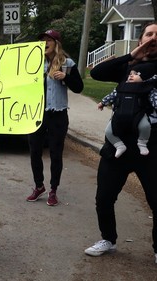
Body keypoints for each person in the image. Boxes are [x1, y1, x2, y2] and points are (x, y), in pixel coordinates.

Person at [84, 21, 157, 264]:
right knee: (104, 197)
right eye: (148, 34)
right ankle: (108, 239)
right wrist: (132, 55)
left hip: (150, 147)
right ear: (140, 39)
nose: (153, 38)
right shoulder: (127, 65)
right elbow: (96, 73)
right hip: (117, 147)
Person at [26, 30, 84, 206]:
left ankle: (53, 190)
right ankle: (38, 186)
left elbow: (79, 87)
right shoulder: (34, 62)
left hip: (57, 114)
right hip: (37, 113)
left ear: (56, 43)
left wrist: (66, 77)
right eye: (42, 40)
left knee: (55, 154)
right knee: (34, 151)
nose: (44, 43)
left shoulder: (66, 63)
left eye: (48, 40)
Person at [98, 63, 157, 158]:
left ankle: (142, 143)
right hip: (119, 115)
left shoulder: (147, 88)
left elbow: (155, 99)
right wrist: (103, 103)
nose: (131, 76)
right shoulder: (122, 86)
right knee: (109, 131)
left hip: (139, 115)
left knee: (145, 126)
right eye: (130, 74)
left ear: (145, 77)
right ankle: (119, 145)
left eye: (136, 74)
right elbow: (112, 95)